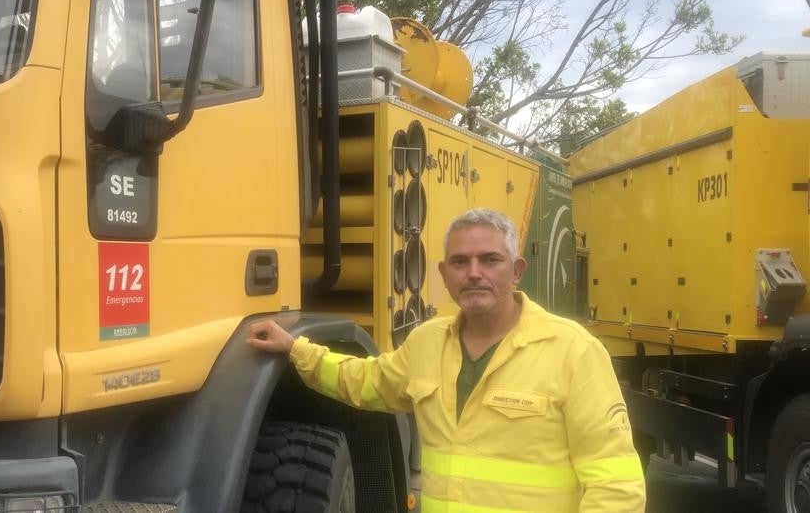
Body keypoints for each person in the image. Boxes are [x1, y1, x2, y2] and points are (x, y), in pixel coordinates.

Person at [248, 208, 645, 513]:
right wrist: (296, 349)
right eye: (460, 262)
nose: (474, 273)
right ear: (443, 272)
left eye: (490, 260)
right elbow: (367, 381)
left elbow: (614, 482)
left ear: (517, 270)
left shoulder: (573, 350)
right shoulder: (427, 342)